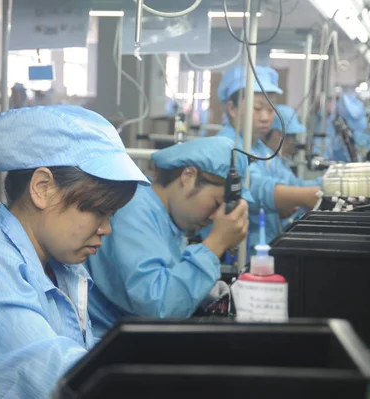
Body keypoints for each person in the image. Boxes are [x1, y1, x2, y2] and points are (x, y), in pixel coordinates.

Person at [0, 105, 150, 398]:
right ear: (43, 188)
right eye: (97, 209)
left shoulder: (60, 264)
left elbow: (76, 352)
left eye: (111, 213)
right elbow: (40, 378)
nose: (106, 229)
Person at [85, 137, 250, 338]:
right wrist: (216, 243)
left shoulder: (169, 221)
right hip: (110, 345)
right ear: (188, 175)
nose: (216, 217)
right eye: (217, 203)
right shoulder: (134, 210)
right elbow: (158, 307)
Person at [216, 65, 320, 247]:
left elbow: (290, 183)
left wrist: (327, 187)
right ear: (232, 109)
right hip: (242, 249)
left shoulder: (260, 147)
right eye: (257, 109)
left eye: (271, 110)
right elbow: (253, 189)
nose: (265, 117)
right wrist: (303, 196)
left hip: (266, 242)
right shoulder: (225, 146)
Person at [264, 105, 323, 187]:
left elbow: (293, 183)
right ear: (277, 134)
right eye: (290, 136)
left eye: (294, 136)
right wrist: (324, 183)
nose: (292, 143)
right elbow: (293, 186)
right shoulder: (267, 160)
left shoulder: (278, 160)